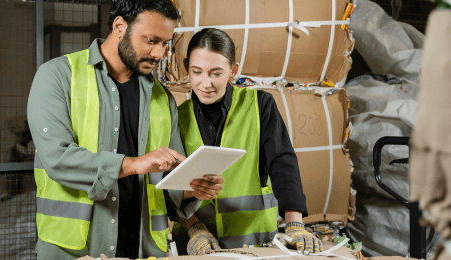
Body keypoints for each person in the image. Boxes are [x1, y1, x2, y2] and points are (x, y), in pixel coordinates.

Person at [27, 1, 224, 259]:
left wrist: (192, 189)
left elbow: (168, 181)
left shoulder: (162, 98)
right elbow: (58, 159)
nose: (159, 53)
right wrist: (135, 164)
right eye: (151, 40)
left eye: (165, 43)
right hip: (74, 251)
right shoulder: (58, 77)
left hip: (144, 250)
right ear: (120, 26)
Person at [171, 28, 323, 255]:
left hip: (255, 242)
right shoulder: (177, 118)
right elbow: (171, 186)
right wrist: (195, 229)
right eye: (197, 72)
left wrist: (294, 223)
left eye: (216, 73)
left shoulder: (260, 105)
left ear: (234, 70)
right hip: (200, 245)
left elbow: (283, 163)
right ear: (187, 69)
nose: (205, 83)